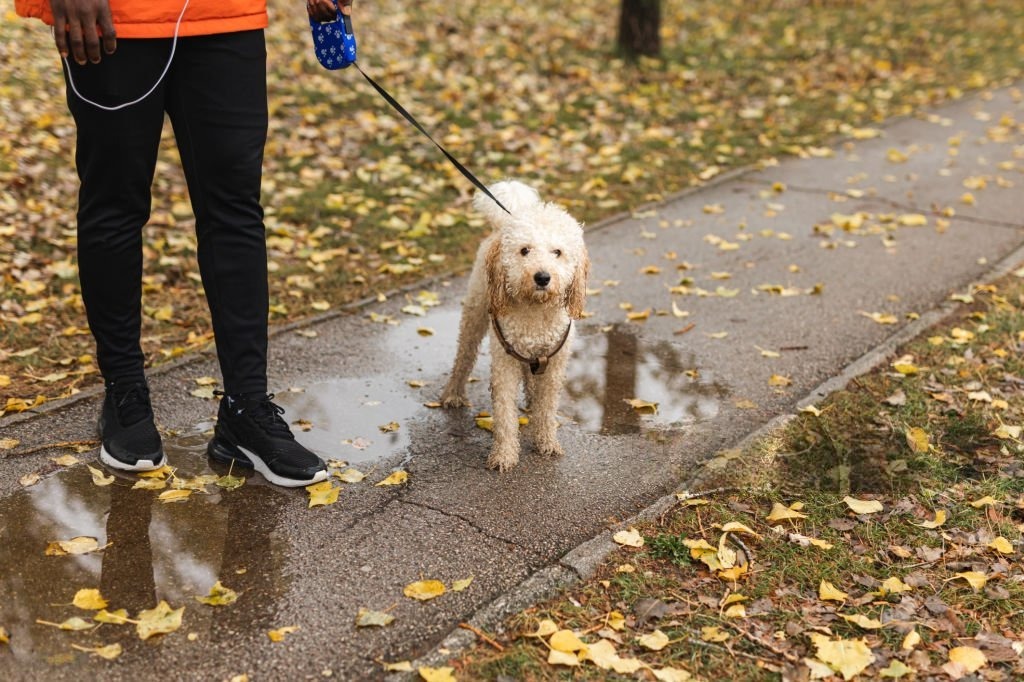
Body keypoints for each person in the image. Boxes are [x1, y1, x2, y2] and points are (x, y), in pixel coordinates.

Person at [15, 0, 349, 486]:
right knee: (115, 203)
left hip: (226, 17)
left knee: (235, 209)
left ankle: (246, 408)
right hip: (115, 19)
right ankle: (125, 395)